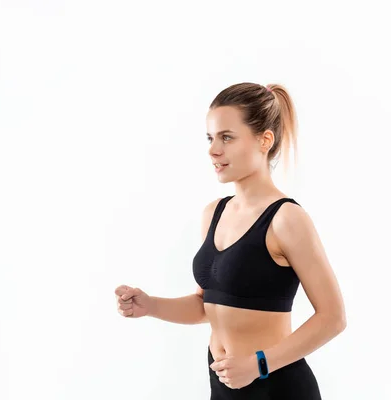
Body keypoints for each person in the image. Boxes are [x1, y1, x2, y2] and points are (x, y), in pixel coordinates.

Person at [114, 82, 346, 399]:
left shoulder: (286, 218)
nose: (213, 149)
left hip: (276, 386)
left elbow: (333, 318)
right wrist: (150, 305)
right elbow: (205, 305)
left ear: (265, 140)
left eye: (227, 137)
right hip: (224, 387)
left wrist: (258, 365)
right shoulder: (214, 213)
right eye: (210, 138)